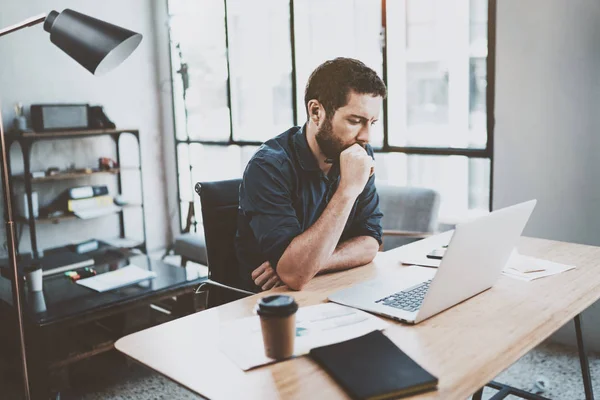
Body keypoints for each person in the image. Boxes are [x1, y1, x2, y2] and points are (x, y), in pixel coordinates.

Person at [235, 57, 386, 291]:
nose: (366, 137)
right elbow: (295, 276)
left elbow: (370, 243)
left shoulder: (356, 153)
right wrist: (347, 191)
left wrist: (312, 263)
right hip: (265, 305)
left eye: (372, 123)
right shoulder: (268, 166)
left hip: (325, 289)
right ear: (316, 111)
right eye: (355, 121)